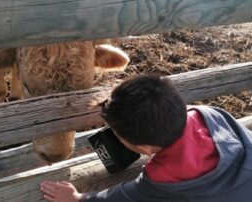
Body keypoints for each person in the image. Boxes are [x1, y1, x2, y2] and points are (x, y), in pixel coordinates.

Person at [40, 74, 252, 202]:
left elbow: (124, 197)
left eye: (119, 137)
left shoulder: (164, 177)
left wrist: (78, 199)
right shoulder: (208, 113)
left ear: (146, 149)